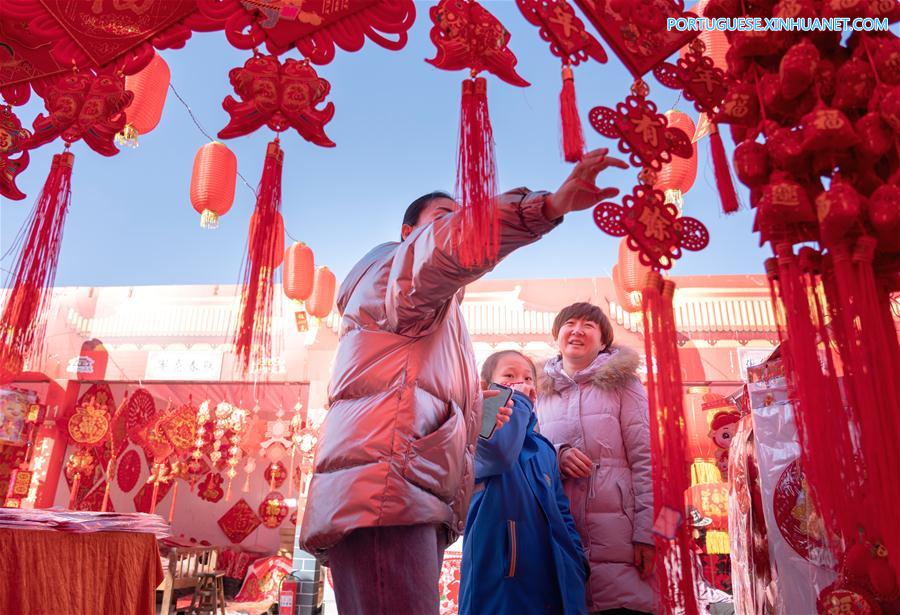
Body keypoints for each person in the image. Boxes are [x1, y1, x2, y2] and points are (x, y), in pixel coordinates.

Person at [298, 149, 629, 615]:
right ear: (409, 235)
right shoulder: (394, 273)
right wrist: (546, 207)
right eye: (444, 220)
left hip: (404, 493)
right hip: (387, 490)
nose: (457, 227)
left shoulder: (439, 318)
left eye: (527, 377)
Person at [537, 302, 656, 615]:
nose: (577, 330)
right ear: (557, 335)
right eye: (570, 323)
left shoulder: (625, 384)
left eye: (589, 325)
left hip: (620, 538)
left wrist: (647, 533)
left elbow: (646, 459)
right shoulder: (539, 393)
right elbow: (530, 455)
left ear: (604, 341)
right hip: (560, 534)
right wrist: (557, 456)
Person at [459, 350, 588, 615]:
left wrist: (574, 558)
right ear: (486, 386)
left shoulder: (543, 448)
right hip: (501, 577)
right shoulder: (474, 430)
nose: (521, 384)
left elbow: (561, 511)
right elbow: (498, 453)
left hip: (551, 576)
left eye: (528, 378)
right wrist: (512, 401)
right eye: (509, 376)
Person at [686, 507, 734, 615]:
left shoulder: (690, 551)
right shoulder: (684, 555)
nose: (701, 531)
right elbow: (700, 592)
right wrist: (727, 598)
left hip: (701, 600)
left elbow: (702, 585)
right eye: (698, 528)